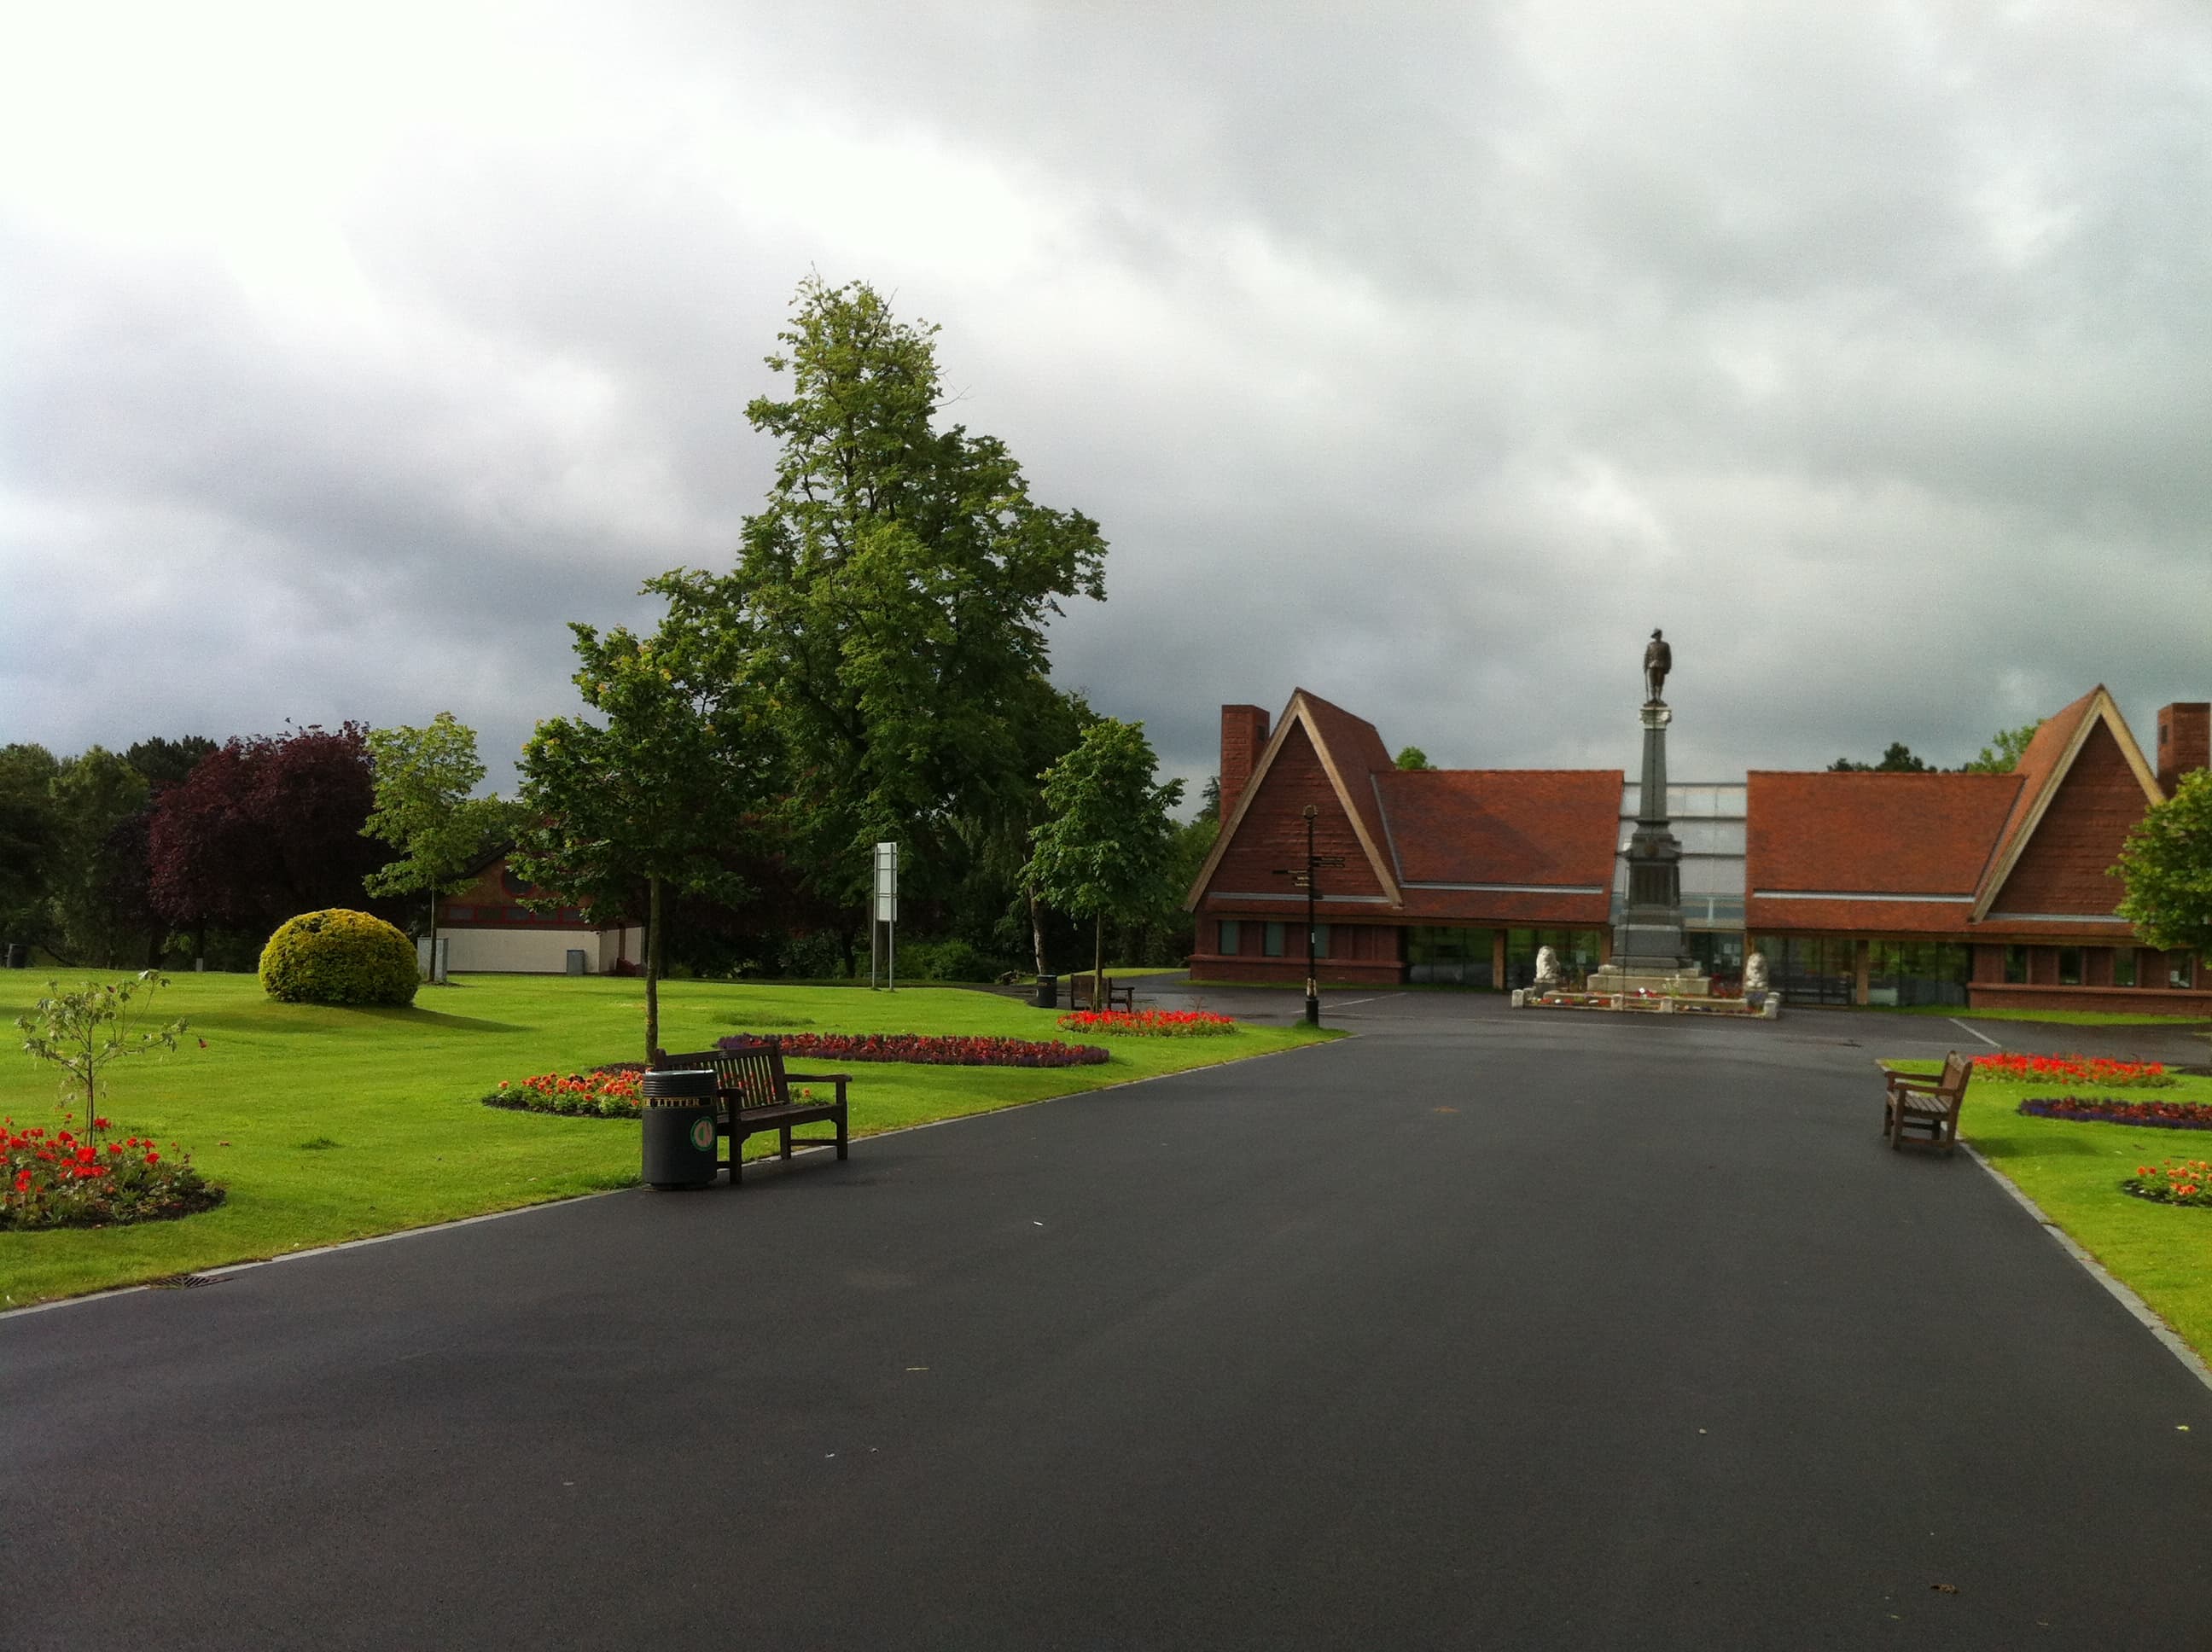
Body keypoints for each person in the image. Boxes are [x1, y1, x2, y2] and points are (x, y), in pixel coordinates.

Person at [1643, 629, 1672, 703]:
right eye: (1656, 635)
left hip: (1661, 665)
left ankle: (1658, 697)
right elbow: (1647, 655)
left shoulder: (1665, 645)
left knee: (1660, 682)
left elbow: (1668, 657)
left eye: (1659, 634)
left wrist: (1668, 667)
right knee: (1652, 682)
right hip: (1652, 665)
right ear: (1654, 636)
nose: (1658, 636)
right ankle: (1653, 697)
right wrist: (1645, 665)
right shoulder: (1650, 645)